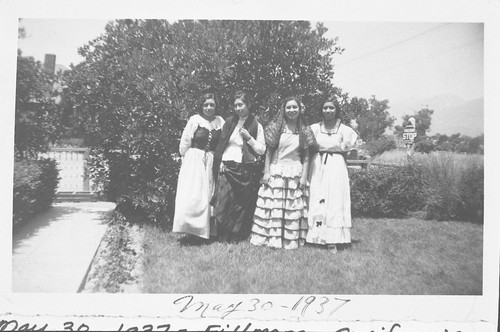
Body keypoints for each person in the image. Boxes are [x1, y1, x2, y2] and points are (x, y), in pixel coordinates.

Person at [250, 96, 316, 249]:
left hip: (295, 171)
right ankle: (271, 239)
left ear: (300, 109)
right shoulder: (277, 127)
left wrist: (304, 176)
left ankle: (290, 240)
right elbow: (269, 151)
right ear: (283, 110)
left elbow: (306, 156)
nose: (292, 110)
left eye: (295, 107)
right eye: (289, 108)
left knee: (292, 208)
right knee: (274, 207)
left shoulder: (304, 129)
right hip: (277, 170)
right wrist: (267, 172)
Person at [212, 91, 266, 242]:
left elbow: (261, 150)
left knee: (238, 202)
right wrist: (221, 162)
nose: (238, 108)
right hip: (227, 164)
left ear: (248, 104)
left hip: (243, 167)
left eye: (240, 104)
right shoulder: (229, 122)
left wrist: (249, 138)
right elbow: (221, 144)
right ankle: (222, 234)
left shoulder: (256, 124)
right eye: (235, 105)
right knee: (223, 199)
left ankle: (234, 234)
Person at [306, 96, 358, 253]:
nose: (328, 111)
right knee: (316, 195)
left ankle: (333, 239)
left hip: (336, 166)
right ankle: (314, 236)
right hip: (317, 165)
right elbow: (307, 147)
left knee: (334, 199)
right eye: (325, 108)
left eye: (331, 108)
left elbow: (351, 151)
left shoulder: (345, 130)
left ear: (336, 110)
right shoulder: (314, 128)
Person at [172, 92, 225, 240]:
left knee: (208, 195)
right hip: (194, 160)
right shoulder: (195, 120)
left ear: (216, 106)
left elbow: (223, 142)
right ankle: (190, 231)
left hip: (211, 161)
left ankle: (206, 231)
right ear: (201, 106)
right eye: (206, 105)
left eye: (212, 105)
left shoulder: (220, 122)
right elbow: (185, 142)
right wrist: (186, 158)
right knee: (193, 196)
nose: (209, 107)